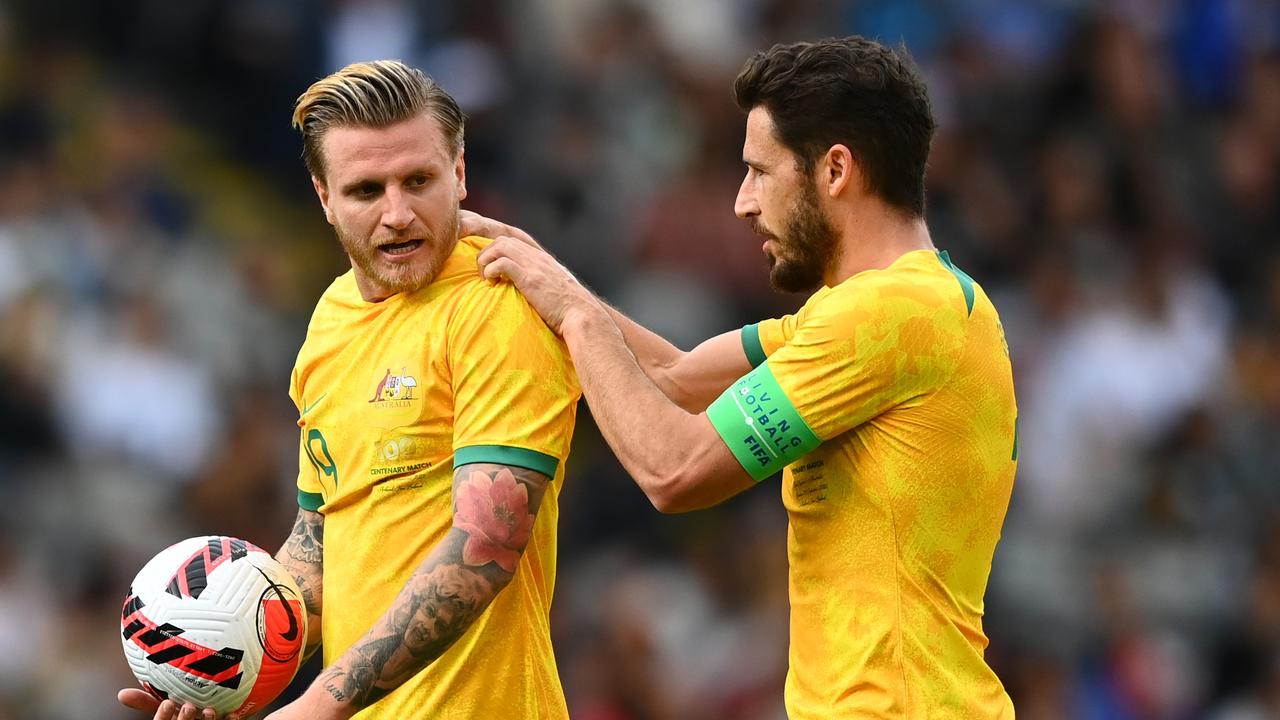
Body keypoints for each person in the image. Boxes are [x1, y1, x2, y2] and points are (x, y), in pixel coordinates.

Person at [472, 36, 1018, 717]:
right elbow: (673, 375)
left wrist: (577, 321)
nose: (742, 203)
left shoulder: (891, 316)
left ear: (836, 170)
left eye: (761, 171)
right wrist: (542, 274)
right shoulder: (884, 310)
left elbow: (674, 471)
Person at [118, 60, 580, 720]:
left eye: (418, 180)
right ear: (325, 197)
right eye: (367, 190)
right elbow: (319, 550)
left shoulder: (495, 309)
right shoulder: (332, 321)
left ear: (460, 174)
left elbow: (487, 547)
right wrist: (222, 664)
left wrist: (321, 703)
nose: (397, 214)